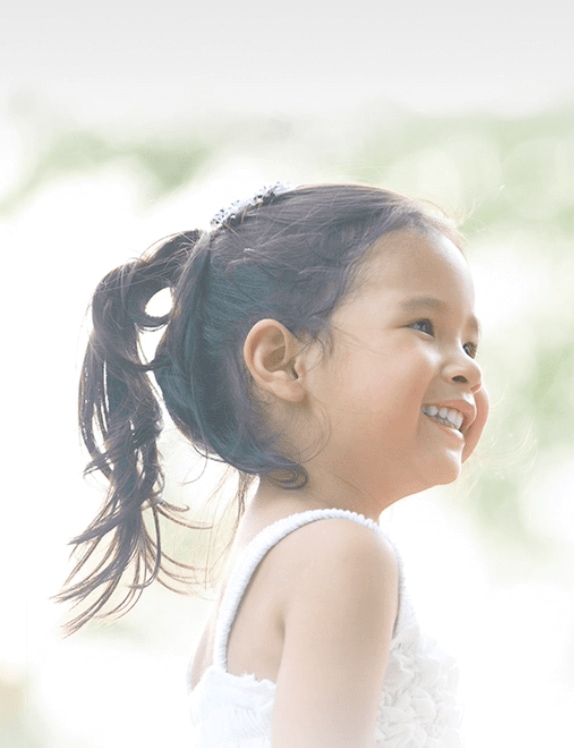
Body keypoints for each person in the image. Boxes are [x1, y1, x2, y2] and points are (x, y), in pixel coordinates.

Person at [59, 183, 490, 747]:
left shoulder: (257, 572)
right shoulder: (344, 552)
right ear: (282, 361)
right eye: (424, 327)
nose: (468, 371)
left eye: (471, 346)